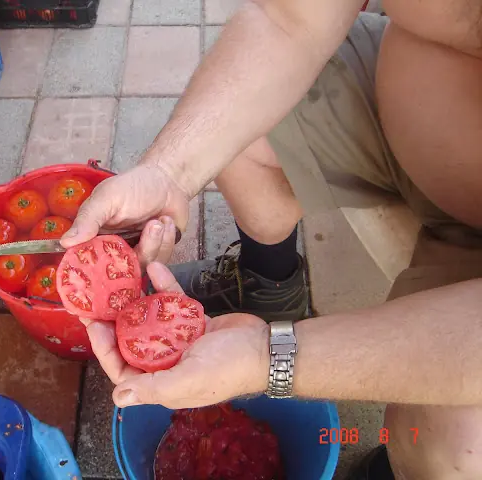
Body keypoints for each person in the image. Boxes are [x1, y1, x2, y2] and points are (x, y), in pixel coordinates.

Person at [60, 0, 482, 478]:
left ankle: (392, 467)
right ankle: (270, 286)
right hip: (400, 101)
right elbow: (288, 19)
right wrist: (167, 172)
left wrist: (267, 356)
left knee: (454, 443)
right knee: (237, 127)